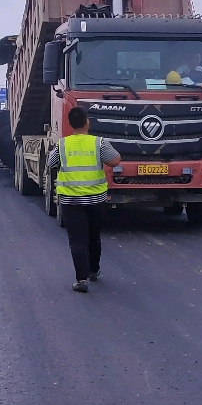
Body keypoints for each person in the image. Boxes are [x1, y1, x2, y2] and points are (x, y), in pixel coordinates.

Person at [45, 106, 121, 292]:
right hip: (96, 200)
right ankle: (94, 271)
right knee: (93, 236)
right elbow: (115, 160)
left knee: (77, 239)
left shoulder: (62, 145)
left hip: (71, 201)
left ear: (70, 124)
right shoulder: (99, 143)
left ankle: (81, 280)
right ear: (87, 122)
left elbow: (50, 163)